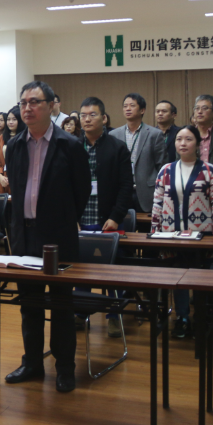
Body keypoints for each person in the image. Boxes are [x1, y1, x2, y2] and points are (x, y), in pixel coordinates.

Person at [4, 80, 91, 394]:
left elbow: (82, 191)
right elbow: (16, 190)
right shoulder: (15, 145)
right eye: (23, 102)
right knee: (29, 304)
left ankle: (65, 368)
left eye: (34, 102)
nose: (27, 108)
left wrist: (62, 220)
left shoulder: (70, 145)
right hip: (24, 237)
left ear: (51, 105)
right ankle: (32, 363)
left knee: (61, 305)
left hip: (58, 238)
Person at [151, 125, 213, 337]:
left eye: (188, 139)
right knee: (178, 277)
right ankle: (182, 317)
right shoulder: (166, 170)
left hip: (202, 236)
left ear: (198, 144)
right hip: (171, 235)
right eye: (179, 139)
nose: (182, 143)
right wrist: (155, 232)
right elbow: (157, 204)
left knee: (201, 277)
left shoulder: (210, 170)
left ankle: (203, 316)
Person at [78, 97, 133, 338]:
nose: (87, 119)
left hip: (108, 220)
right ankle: (80, 312)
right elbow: (64, 185)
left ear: (104, 118)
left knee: (112, 270)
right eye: (83, 115)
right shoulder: (72, 146)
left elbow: (125, 186)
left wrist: (116, 216)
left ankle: (114, 314)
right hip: (81, 218)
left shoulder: (117, 147)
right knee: (80, 269)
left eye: (92, 115)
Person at [109, 93, 167, 224]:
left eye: (132, 105)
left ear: (142, 110)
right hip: (121, 191)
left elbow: (162, 166)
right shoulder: (113, 135)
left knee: (146, 229)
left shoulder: (154, 134)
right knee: (122, 226)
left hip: (146, 191)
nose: (128, 109)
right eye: (125, 106)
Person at [0, 106, 25, 194]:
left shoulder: (26, 137)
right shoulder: (2, 138)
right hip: (4, 179)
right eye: (8, 119)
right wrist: (0, 176)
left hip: (20, 180)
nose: (10, 122)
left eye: (14, 119)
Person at [155, 100, 180, 164]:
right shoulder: (150, 133)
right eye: (157, 111)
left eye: (164, 111)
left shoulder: (179, 132)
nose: (160, 114)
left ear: (173, 115)